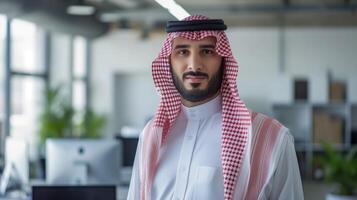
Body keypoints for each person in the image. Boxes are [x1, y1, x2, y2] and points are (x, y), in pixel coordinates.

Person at [127, 15, 304, 200]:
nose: (194, 65)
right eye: (182, 52)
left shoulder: (272, 137)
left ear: (223, 60)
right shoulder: (150, 134)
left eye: (207, 52)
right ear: (169, 62)